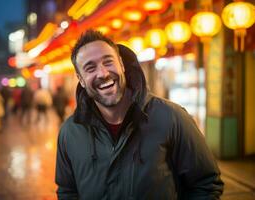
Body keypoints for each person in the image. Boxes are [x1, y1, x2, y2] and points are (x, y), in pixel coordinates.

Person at [55, 30, 224, 199]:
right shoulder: (70, 132)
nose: (103, 73)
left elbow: (206, 184)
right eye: (90, 68)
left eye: (108, 62)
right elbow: (67, 191)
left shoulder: (171, 117)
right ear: (81, 79)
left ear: (121, 64)